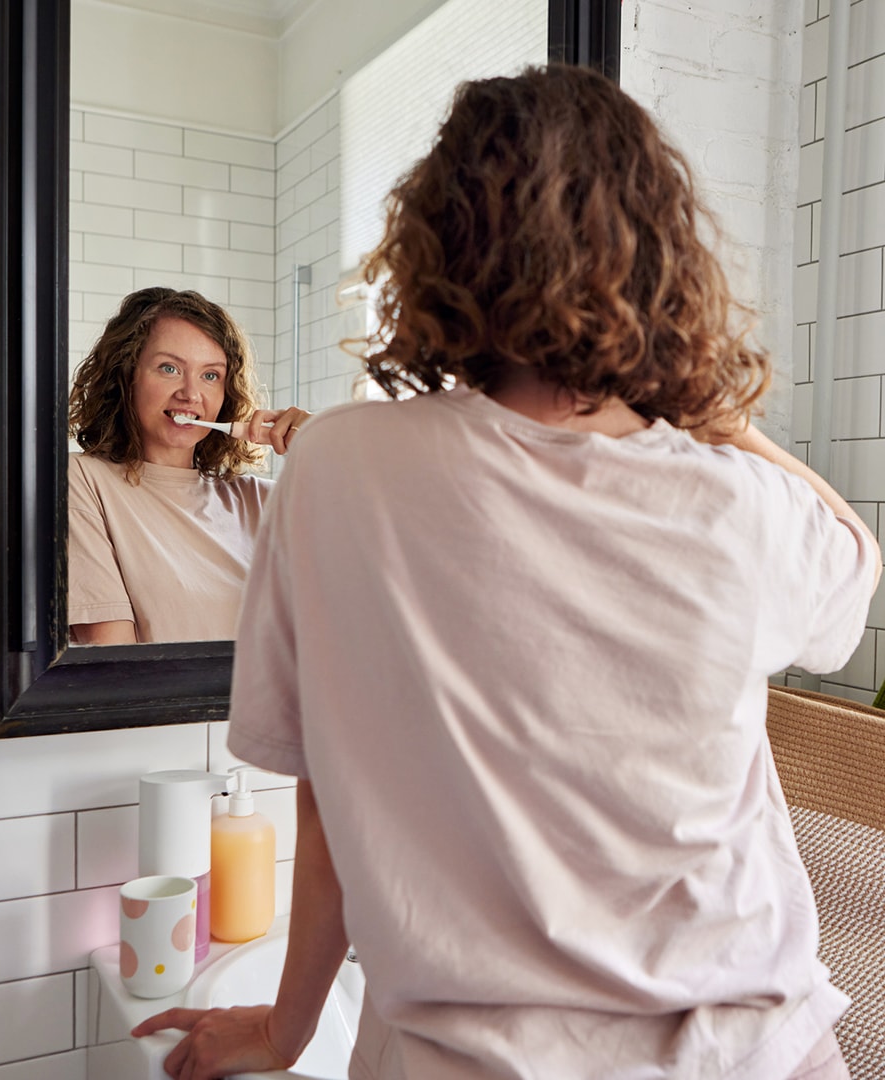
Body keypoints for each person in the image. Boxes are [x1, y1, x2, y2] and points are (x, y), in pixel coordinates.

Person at [131, 65, 876, 1080]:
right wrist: (707, 409)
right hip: (747, 1053)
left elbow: (327, 802)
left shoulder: (337, 467)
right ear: (659, 260)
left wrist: (286, 1029)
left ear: (436, 251)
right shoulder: (735, 502)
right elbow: (852, 554)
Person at [67, 287, 309, 644]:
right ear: (126, 375)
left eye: (210, 375)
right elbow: (115, 665)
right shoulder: (83, 482)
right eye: (169, 368)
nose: (191, 394)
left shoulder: (263, 501)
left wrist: (336, 444)